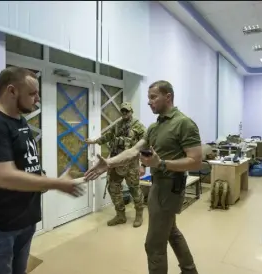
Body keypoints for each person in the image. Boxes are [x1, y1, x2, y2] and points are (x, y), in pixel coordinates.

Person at [0, 67, 85, 274]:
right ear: (11, 91)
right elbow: (3, 177)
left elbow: (27, 164)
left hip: (23, 222)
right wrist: (56, 183)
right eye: (32, 93)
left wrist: (42, 177)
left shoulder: (20, 121)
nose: (37, 99)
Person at [84, 80, 201, 274]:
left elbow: (196, 161)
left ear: (168, 97)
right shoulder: (155, 127)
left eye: (153, 97)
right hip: (158, 185)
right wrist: (109, 163)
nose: (149, 102)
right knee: (171, 232)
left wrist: (161, 164)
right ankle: (190, 271)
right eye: (148, 98)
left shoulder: (184, 123)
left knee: (153, 245)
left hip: (170, 187)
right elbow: (133, 150)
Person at [85, 102, 146, 227]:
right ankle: (120, 215)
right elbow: (107, 136)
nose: (124, 113)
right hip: (116, 163)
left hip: (131, 164)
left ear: (131, 111)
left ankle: (139, 214)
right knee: (112, 187)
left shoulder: (138, 126)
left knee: (134, 189)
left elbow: (146, 145)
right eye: (122, 111)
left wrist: (143, 165)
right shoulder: (117, 126)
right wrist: (94, 141)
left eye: (127, 111)